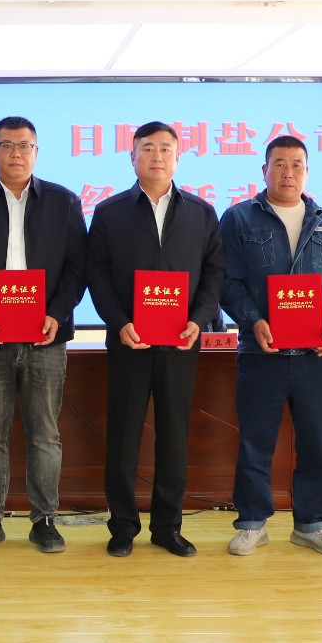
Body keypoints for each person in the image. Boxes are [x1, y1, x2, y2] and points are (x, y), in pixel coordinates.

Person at [0, 115, 87, 554]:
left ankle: (44, 520)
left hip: (45, 337)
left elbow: (77, 267)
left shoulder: (64, 202)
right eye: (6, 145)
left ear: (36, 152)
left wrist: (57, 313)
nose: (15, 153)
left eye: (24, 145)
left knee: (45, 434)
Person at [85, 121, 223, 558]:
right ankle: (123, 527)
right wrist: (119, 321)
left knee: (174, 437)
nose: (157, 156)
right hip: (129, 342)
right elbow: (97, 273)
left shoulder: (201, 212)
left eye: (165, 148)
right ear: (133, 157)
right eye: (147, 148)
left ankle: (168, 527)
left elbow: (215, 273)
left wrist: (199, 320)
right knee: (123, 437)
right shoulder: (110, 212)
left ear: (177, 158)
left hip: (180, 343)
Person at [218, 135, 322, 559]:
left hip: (316, 358)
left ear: (307, 172)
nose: (288, 172)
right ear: (265, 170)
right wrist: (254, 320)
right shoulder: (239, 218)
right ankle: (252, 525)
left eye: (297, 164)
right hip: (262, 354)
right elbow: (227, 282)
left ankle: (311, 525)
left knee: (315, 445)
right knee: (255, 444)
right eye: (279, 164)